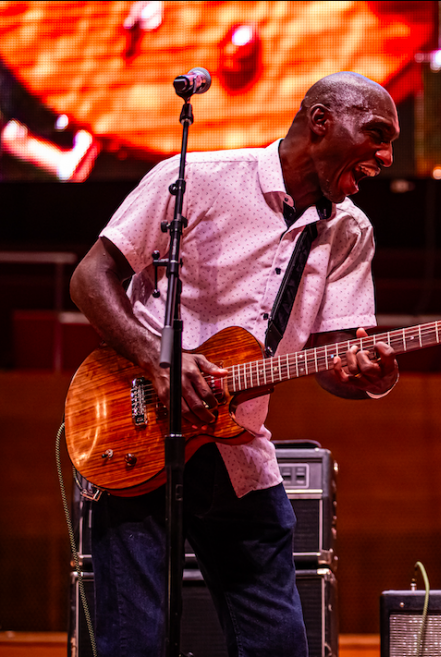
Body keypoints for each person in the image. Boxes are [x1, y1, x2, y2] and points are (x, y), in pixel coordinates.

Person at [69, 71, 400, 657]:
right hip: (137, 429)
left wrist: (370, 378)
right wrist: (159, 360)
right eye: (376, 133)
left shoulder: (350, 231)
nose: (387, 155)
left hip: (237, 448)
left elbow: (335, 360)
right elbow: (90, 279)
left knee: (278, 645)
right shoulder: (196, 180)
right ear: (321, 122)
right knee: (134, 644)